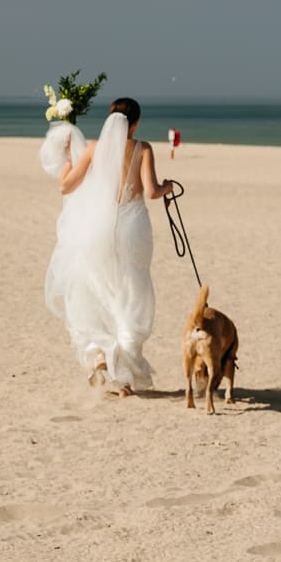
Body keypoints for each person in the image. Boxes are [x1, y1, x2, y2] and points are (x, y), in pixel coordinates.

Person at [45, 97, 169, 396]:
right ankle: (122, 374)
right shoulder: (144, 148)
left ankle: (101, 354)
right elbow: (151, 192)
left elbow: (66, 186)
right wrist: (168, 187)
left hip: (97, 228)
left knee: (97, 287)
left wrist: (69, 163)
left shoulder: (93, 148)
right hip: (133, 228)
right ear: (136, 123)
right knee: (130, 291)